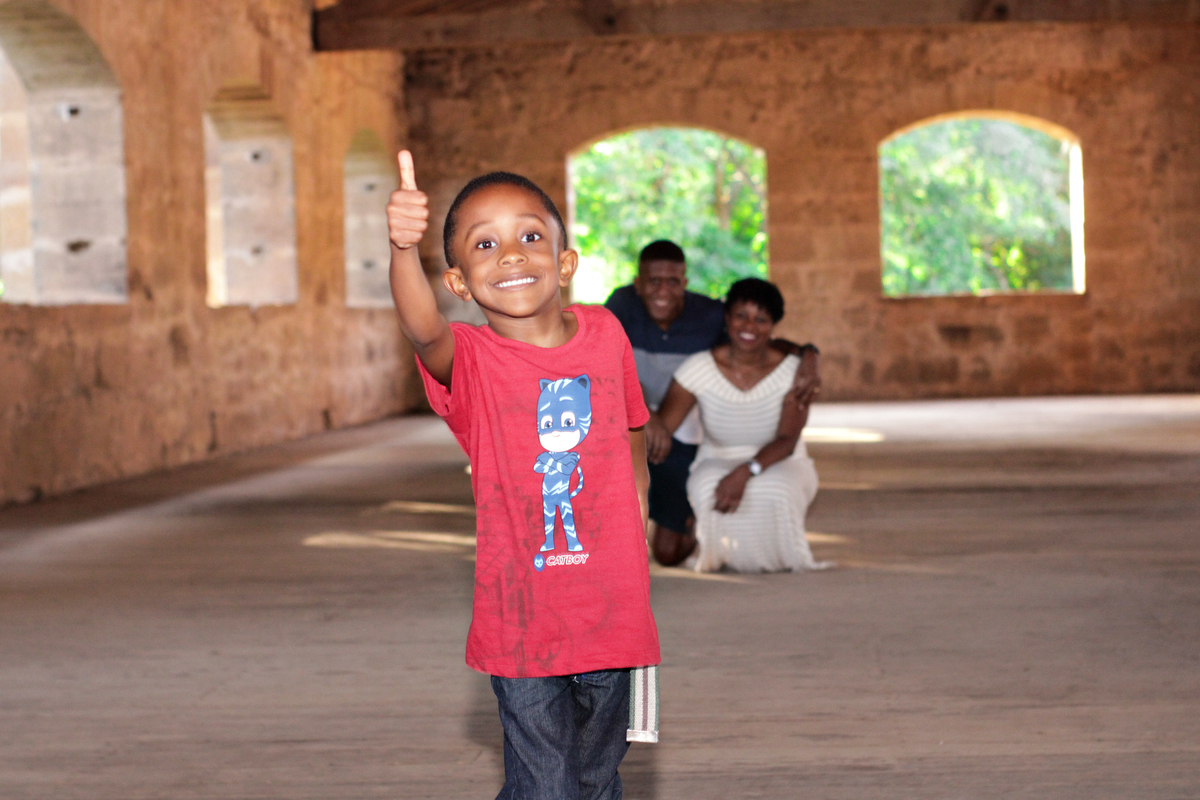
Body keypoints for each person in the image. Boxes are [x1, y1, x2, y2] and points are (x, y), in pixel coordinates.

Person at [386, 151, 660, 799]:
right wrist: (401, 249)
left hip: (614, 614)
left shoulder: (606, 332)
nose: (511, 254)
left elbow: (631, 428)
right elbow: (423, 332)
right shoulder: (472, 360)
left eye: (530, 236)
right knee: (546, 784)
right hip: (520, 622)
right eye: (486, 244)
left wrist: (638, 518)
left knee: (594, 778)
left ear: (565, 262)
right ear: (458, 282)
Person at [656, 278, 826, 573]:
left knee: (778, 487)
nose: (749, 326)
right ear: (727, 318)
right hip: (717, 456)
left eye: (761, 319)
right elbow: (662, 430)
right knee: (707, 485)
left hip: (781, 460)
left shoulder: (794, 372)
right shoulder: (700, 367)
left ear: (773, 325)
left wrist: (746, 471)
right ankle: (719, 555)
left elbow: (787, 440)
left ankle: (779, 558)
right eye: (741, 316)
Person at [604, 240, 724, 567]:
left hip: (685, 427)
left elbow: (755, 339)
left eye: (673, 281)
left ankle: (689, 513)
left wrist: (808, 354)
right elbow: (603, 362)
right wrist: (647, 416)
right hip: (633, 416)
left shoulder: (710, 315)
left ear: (685, 283)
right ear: (638, 284)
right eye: (654, 281)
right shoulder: (621, 306)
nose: (663, 291)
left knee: (668, 553)